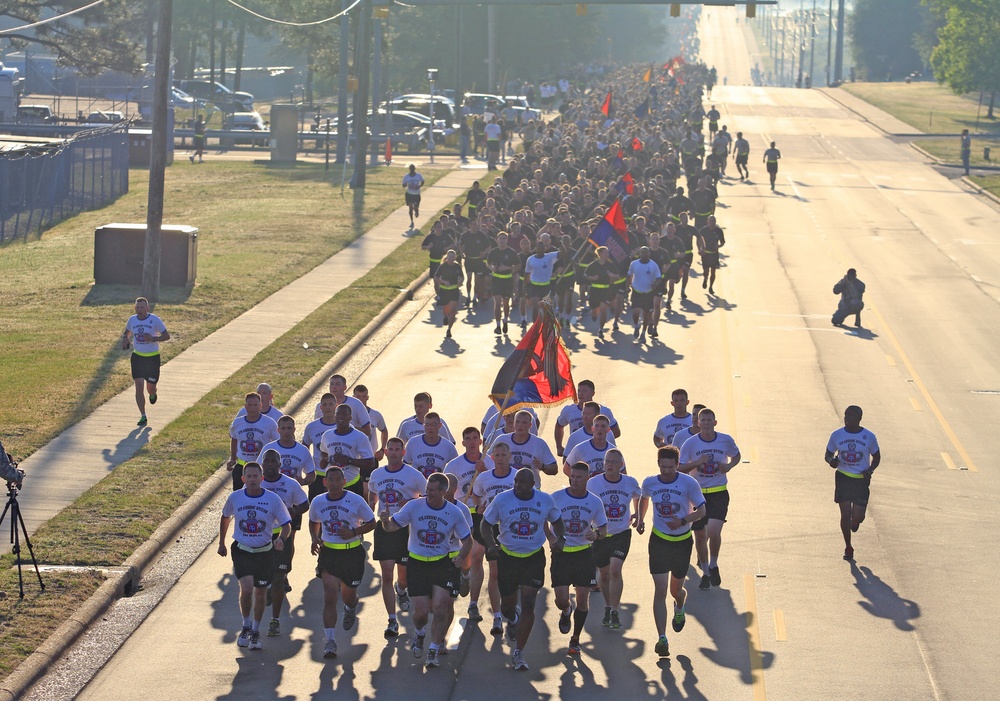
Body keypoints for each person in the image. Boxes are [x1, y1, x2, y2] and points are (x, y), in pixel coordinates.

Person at [380, 473, 474, 667]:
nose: (427, 493)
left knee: (441, 608)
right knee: (421, 613)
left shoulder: (455, 512)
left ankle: (433, 650)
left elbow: (468, 540)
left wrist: (461, 556)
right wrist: (384, 520)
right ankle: (420, 634)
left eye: (432, 490)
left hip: (441, 564)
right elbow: (390, 527)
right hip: (417, 564)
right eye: (427, 489)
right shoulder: (414, 506)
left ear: (443, 491)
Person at [481, 468, 566, 671]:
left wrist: (560, 538)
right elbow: (485, 523)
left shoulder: (545, 500)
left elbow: (558, 521)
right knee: (508, 606)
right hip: (508, 558)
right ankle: (512, 618)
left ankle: (519, 652)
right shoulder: (502, 499)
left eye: (522, 483)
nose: (517, 486)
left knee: (529, 603)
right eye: (516, 482)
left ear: (532, 484)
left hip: (533, 558)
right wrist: (490, 544)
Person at [637, 446, 706, 658]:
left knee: (676, 590)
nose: (666, 471)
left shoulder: (688, 483)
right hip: (659, 541)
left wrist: (683, 520)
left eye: (670, 467)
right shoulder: (650, 482)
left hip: (682, 542)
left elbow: (702, 511)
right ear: (658, 464)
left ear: (677, 465)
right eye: (662, 467)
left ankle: (680, 606)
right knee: (659, 590)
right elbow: (644, 498)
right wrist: (640, 519)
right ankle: (662, 638)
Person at [218, 462, 292, 651]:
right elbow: (225, 517)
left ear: (262, 478)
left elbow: (286, 525)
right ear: (243, 479)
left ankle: (256, 630)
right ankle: (245, 625)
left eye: (255, 476)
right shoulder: (235, 498)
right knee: (247, 588)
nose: (252, 479)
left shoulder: (273, 499)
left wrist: (282, 539)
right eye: (248, 476)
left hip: (265, 553)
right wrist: (222, 543)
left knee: (260, 592)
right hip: (242, 550)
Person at [309, 466, 378, 659]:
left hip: (352, 553)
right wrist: (315, 538)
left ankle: (350, 606)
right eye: (330, 480)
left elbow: (372, 522)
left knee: (348, 595)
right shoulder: (318, 501)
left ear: (344, 481)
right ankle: (330, 641)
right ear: (325, 482)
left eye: (337, 479)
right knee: (330, 595)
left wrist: (354, 532)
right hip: (329, 553)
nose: (333, 483)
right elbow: (313, 521)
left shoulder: (355, 500)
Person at [678, 408, 741, 590]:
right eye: (702, 420)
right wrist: (696, 464)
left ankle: (714, 564)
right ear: (698, 423)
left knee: (714, 532)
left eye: (708, 420)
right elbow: (680, 467)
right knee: (700, 535)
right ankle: (705, 572)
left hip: (718, 491)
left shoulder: (725, 440)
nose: (705, 423)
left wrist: (729, 466)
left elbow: (736, 455)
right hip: (697, 494)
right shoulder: (690, 444)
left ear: (715, 422)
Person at [368, 437, 425, 636]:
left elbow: (426, 498)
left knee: (404, 576)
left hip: (405, 528)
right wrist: (372, 504)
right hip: (384, 527)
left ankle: (401, 590)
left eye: (397, 449)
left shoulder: (414, 475)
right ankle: (392, 620)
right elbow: (372, 492)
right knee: (386, 574)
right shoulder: (377, 474)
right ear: (386, 452)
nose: (393, 453)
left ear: (403, 452)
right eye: (390, 449)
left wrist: (408, 502)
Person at [549, 462, 608, 655]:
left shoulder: (594, 501)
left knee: (583, 597)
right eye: (572, 476)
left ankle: (575, 639)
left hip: (584, 554)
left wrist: (596, 534)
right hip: (561, 554)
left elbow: (603, 529)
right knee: (561, 599)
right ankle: (566, 612)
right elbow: (542, 519)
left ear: (587, 478)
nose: (574, 480)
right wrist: (551, 538)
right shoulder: (556, 497)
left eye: (579, 477)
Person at [589, 448, 640, 629]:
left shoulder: (629, 482)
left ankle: (616, 610)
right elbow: (585, 502)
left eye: (613, 462)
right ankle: (608, 606)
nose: (609, 465)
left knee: (615, 570)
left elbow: (640, 497)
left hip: (621, 533)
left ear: (621, 465)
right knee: (603, 573)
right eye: (607, 461)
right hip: (600, 534)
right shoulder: (593, 483)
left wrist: (638, 515)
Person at [259, 450, 309, 637]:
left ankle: (275, 620)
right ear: (263, 464)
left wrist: (292, 511)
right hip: (259, 538)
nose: (271, 464)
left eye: (274, 461)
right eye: (267, 461)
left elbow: (305, 504)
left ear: (280, 465)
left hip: (282, 535)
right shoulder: (257, 483)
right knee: (261, 581)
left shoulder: (290, 484)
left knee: (279, 578)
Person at [825, 405, 881, 561]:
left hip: (860, 480)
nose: (846, 419)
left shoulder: (869, 437)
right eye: (845, 415)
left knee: (858, 516)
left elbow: (877, 458)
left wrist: (869, 470)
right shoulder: (837, 435)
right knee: (845, 514)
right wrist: (832, 461)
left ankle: (855, 521)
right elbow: (828, 454)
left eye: (850, 416)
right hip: (843, 477)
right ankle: (848, 547)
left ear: (859, 419)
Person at [121, 296, 170, 427]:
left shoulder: (154, 320)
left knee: (150, 388)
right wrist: (125, 338)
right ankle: (143, 415)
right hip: (138, 357)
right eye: (137, 307)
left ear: (147, 308)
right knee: (138, 386)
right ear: (135, 308)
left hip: (152, 358)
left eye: (142, 307)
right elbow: (127, 332)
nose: (140, 310)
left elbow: (166, 336)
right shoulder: (132, 320)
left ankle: (153, 393)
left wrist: (153, 339)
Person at [318, 404, 377, 498]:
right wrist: (324, 459)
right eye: (338, 414)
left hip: (352, 484)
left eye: (344, 414)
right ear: (334, 416)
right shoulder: (327, 435)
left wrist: (348, 460)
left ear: (350, 417)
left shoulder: (360, 437)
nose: (341, 416)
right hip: (332, 486)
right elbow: (324, 451)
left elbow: (370, 463)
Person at [554, 380, 621, 456]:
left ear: (593, 393)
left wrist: (600, 438)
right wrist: (559, 446)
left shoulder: (604, 411)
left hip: (598, 453)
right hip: (576, 452)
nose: (580, 394)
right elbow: (559, 425)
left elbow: (616, 431)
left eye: (584, 391)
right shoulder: (569, 410)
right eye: (579, 391)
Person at [228, 392, 280, 491]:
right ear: (245, 406)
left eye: (255, 405)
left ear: (260, 406)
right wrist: (233, 458)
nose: (252, 408)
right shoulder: (237, 423)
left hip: (261, 468)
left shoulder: (270, 423)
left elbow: (277, 443)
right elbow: (234, 438)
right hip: (242, 467)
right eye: (250, 405)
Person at [493, 410, 558, 484]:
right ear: (514, 424)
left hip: (531, 489)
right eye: (517, 422)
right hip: (506, 487)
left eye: (524, 423)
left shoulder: (539, 443)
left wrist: (542, 467)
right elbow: (488, 460)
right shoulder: (502, 440)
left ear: (530, 425)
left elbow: (554, 469)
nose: (520, 425)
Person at [404, 411, 459, 478]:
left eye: (433, 424)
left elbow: (457, 469)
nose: (430, 428)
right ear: (423, 426)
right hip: (417, 487)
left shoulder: (448, 446)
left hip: (439, 486)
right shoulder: (413, 443)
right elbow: (404, 466)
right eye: (427, 424)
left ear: (440, 425)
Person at [487, 231, 520, 335]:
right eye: (500, 238)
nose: (502, 241)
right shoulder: (493, 252)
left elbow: (518, 266)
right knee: (497, 303)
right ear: (497, 240)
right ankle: (497, 325)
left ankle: (505, 320)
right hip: (496, 280)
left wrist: (507, 267)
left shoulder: (511, 252)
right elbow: (488, 263)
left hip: (507, 280)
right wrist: (492, 267)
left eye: (504, 239)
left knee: (506, 304)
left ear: (507, 240)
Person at [627, 246, 662, 343]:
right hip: (636, 292)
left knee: (646, 314)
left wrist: (655, 284)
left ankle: (643, 333)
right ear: (640, 254)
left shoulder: (653, 265)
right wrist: (628, 287)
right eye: (643, 252)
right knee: (635, 313)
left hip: (648, 293)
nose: (645, 254)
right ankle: (637, 325)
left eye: (647, 252)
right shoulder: (634, 264)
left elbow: (658, 278)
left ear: (649, 254)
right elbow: (629, 274)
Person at [435, 249, 464, 339]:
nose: (451, 258)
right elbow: (436, 277)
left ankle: (449, 329)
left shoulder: (457, 267)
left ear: (455, 257)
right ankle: (445, 316)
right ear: (446, 257)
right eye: (449, 256)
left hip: (454, 290)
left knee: (453, 311)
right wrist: (443, 281)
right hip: (444, 290)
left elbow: (462, 277)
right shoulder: (443, 266)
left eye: (452, 256)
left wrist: (460, 282)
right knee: (446, 309)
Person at [697, 215, 726, 295]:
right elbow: (698, 240)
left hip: (714, 254)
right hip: (705, 254)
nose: (712, 223)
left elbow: (722, 242)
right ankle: (705, 278)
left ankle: (711, 287)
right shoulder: (703, 230)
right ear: (707, 221)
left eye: (713, 221)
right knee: (706, 271)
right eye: (710, 221)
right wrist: (700, 249)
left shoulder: (719, 231)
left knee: (713, 272)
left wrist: (719, 246)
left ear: (715, 222)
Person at [403, 163, 425, 228]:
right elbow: (403, 184)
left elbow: (423, 181)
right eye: (411, 169)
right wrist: (406, 185)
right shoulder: (406, 176)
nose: (412, 170)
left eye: (413, 169)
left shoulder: (418, 176)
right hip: (409, 194)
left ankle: (416, 210)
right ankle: (412, 221)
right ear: (409, 169)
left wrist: (419, 186)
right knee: (410, 208)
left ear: (414, 169)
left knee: (415, 207)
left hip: (416, 195)